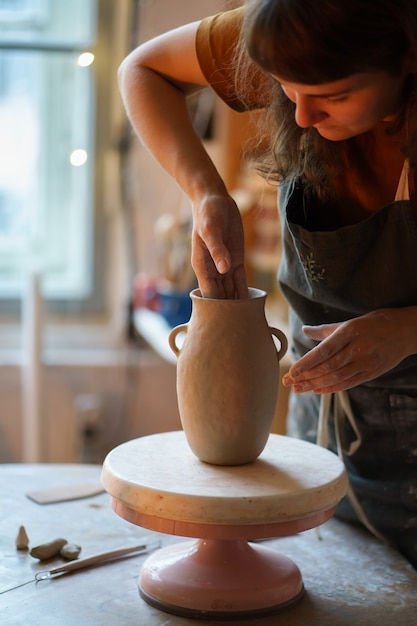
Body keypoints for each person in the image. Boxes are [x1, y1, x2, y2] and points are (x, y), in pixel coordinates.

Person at [118, 0, 417, 568]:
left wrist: (407, 327)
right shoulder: (287, 26)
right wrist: (204, 192)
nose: (301, 118)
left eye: (331, 95)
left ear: (406, 57)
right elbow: (143, 70)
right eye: (286, 89)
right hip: (327, 411)